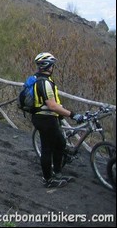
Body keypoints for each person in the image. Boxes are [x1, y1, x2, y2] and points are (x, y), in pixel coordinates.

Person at [29, 52, 84, 188]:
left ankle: (57, 172)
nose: (54, 68)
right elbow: (52, 105)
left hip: (46, 118)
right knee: (47, 149)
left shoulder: (39, 79)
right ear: (49, 66)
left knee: (60, 143)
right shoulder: (44, 82)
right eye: (53, 65)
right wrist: (72, 114)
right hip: (45, 119)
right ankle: (48, 179)